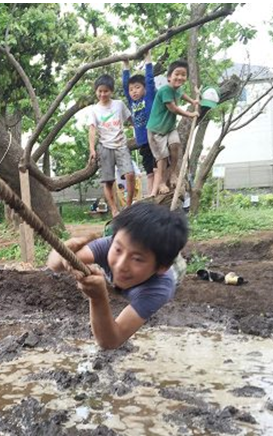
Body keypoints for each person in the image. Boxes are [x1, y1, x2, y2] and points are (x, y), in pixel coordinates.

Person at [46, 202, 189, 349]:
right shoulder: (112, 245)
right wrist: (65, 250)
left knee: (173, 264)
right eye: (118, 250)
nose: (121, 265)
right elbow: (54, 265)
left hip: (174, 271)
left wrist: (98, 298)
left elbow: (110, 342)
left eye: (137, 259)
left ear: (160, 267)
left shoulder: (159, 288)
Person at [146, 60, 199, 197]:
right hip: (156, 131)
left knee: (176, 146)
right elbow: (173, 109)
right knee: (162, 158)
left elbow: (182, 94)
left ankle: (173, 173)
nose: (180, 77)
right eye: (177, 74)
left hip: (169, 128)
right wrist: (191, 114)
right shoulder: (165, 90)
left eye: (183, 75)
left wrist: (193, 101)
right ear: (169, 77)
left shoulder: (177, 89)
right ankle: (162, 182)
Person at [88, 74, 134, 217]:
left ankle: (129, 206)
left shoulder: (119, 104)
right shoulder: (94, 110)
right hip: (104, 147)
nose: (102, 94)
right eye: (100, 91)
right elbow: (92, 129)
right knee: (108, 181)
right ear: (96, 91)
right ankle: (114, 209)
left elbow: (131, 119)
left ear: (111, 91)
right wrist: (92, 149)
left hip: (121, 144)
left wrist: (140, 132)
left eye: (106, 91)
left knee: (130, 174)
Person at [123, 51, 158, 194]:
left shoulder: (148, 97)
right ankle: (151, 194)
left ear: (144, 89)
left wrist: (148, 58)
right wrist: (125, 65)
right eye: (132, 89)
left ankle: (157, 191)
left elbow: (149, 79)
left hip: (154, 138)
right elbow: (125, 85)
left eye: (137, 87)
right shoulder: (132, 102)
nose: (134, 91)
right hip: (142, 141)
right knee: (149, 170)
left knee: (157, 168)